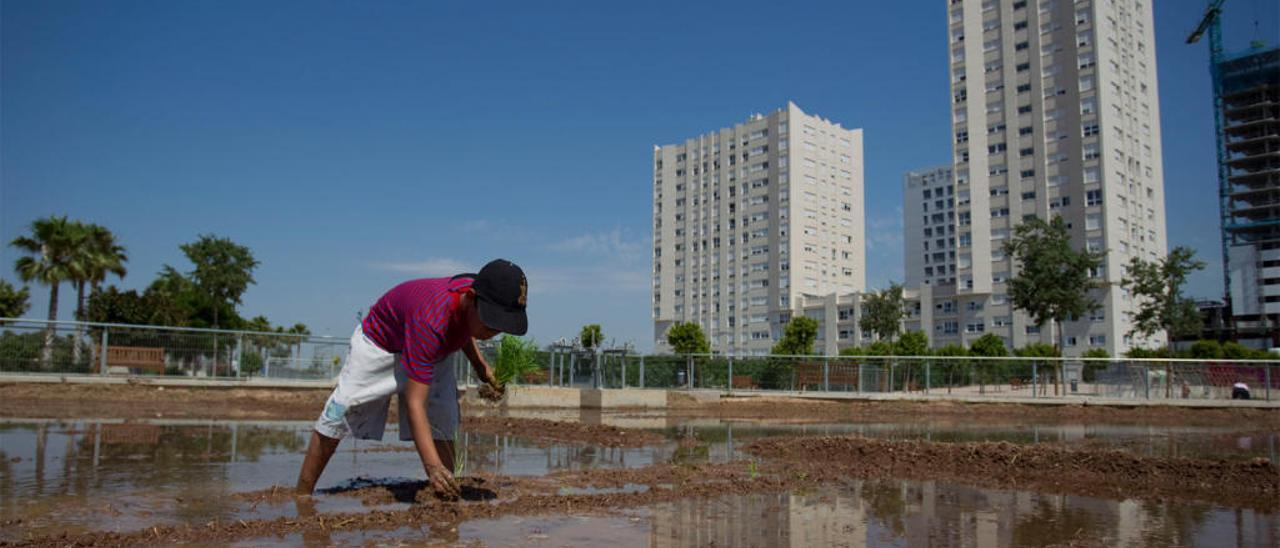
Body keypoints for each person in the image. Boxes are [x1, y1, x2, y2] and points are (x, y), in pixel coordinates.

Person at [295, 259, 528, 498]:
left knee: (444, 417)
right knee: (340, 410)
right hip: (381, 346)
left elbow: (463, 327)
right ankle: (302, 493)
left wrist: (481, 367)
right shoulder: (431, 318)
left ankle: (446, 495)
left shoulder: (472, 297)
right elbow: (415, 403)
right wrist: (431, 467)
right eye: (491, 324)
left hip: (434, 349)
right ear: (470, 298)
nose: (493, 333)